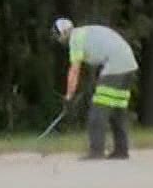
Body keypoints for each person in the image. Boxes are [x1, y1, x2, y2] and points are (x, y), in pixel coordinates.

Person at [52, 17, 137, 161]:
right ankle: (121, 150)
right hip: (129, 64)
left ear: (63, 33)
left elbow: (74, 70)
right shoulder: (86, 32)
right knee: (117, 109)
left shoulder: (75, 39)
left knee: (98, 111)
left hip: (115, 64)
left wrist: (69, 96)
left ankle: (96, 151)